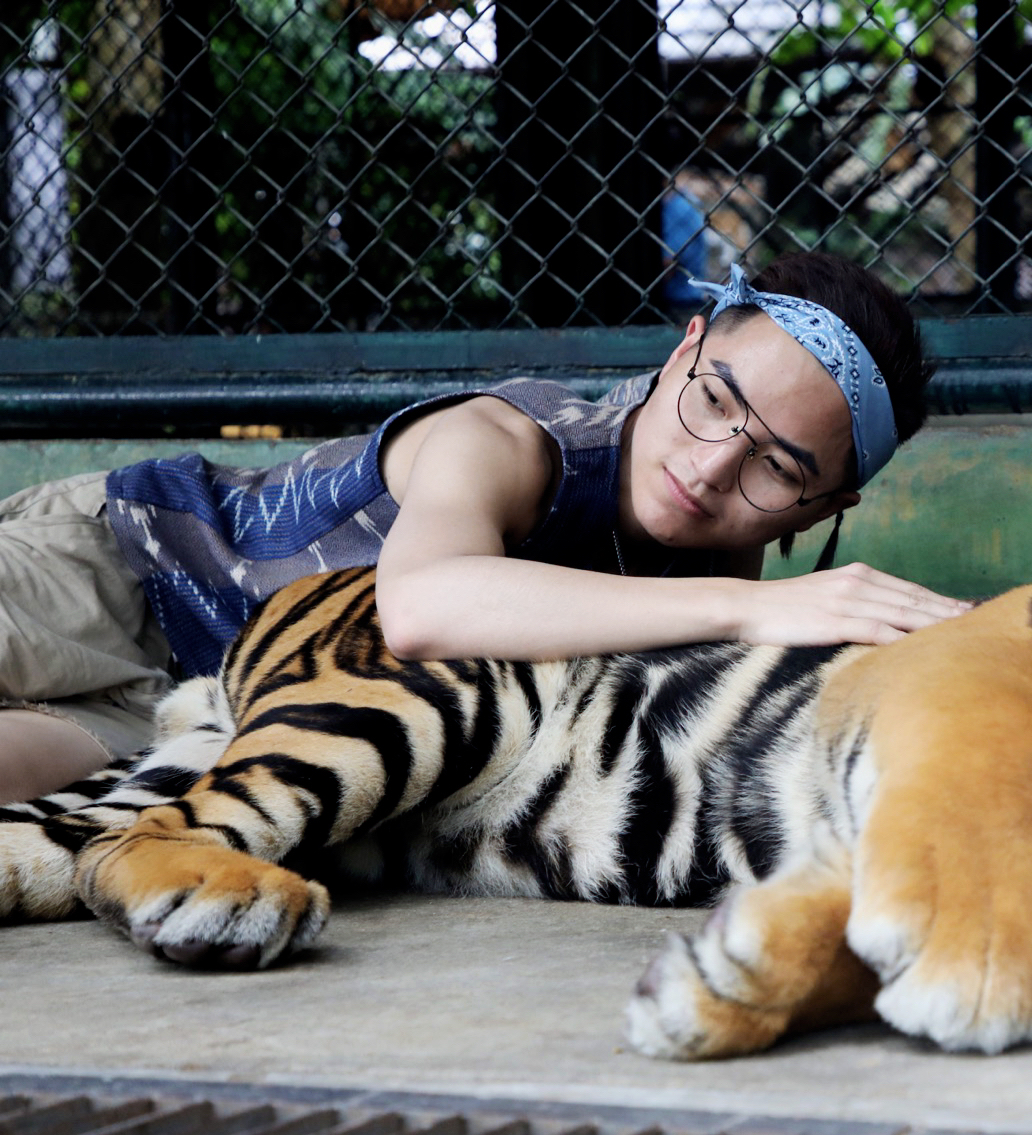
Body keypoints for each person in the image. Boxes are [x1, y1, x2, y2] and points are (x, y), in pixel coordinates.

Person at [0, 251, 967, 803]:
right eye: (715, 398)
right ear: (687, 349)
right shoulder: (514, 437)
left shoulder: (722, 556)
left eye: (778, 466)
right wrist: (753, 612)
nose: (712, 464)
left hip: (204, 713)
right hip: (118, 560)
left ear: (823, 507)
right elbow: (421, 607)